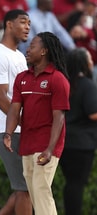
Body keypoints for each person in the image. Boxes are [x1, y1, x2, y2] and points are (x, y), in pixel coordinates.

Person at [4, 31, 70, 215]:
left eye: (32, 46)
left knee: (41, 190)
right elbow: (14, 109)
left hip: (46, 145)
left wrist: (50, 149)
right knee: (35, 193)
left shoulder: (58, 79)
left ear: (44, 51)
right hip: (27, 143)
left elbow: (59, 117)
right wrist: (8, 133)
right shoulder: (22, 78)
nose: (27, 49)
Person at [0, 9, 32, 215]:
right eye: (23, 22)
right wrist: (25, 123)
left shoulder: (19, 56)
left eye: (29, 23)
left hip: (19, 128)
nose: (27, 27)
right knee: (24, 189)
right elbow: (0, 97)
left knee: (24, 189)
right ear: (8, 24)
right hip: (10, 130)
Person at [59, 48, 97, 215]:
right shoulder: (87, 85)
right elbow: (93, 114)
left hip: (63, 141)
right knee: (77, 184)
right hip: (82, 144)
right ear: (84, 63)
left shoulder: (64, 85)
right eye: (89, 59)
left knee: (71, 183)